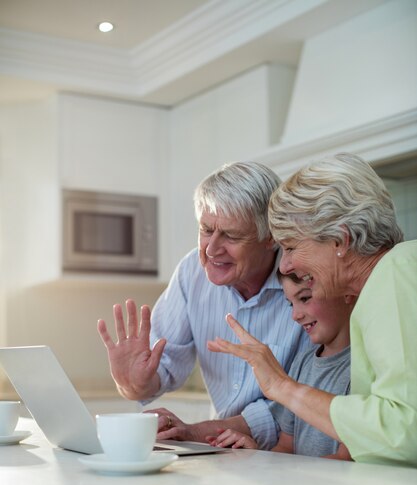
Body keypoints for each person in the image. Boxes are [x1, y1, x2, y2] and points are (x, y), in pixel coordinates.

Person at [208, 153, 417, 467]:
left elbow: (403, 430)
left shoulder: (396, 271)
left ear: (340, 240)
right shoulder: (382, 285)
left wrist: (283, 387)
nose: (286, 264)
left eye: (291, 246)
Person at [97, 162, 311, 449]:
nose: (211, 249)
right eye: (206, 230)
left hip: (296, 454)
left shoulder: (305, 283)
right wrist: (134, 382)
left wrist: (201, 432)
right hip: (231, 450)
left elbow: (304, 402)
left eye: (232, 236)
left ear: (271, 238)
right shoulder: (191, 273)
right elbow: (162, 367)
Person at [207, 271, 355, 460]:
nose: (295, 315)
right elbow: (285, 448)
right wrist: (255, 455)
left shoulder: (361, 368)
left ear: (347, 293)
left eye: (305, 298)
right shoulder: (303, 362)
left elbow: (345, 460)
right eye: (291, 304)